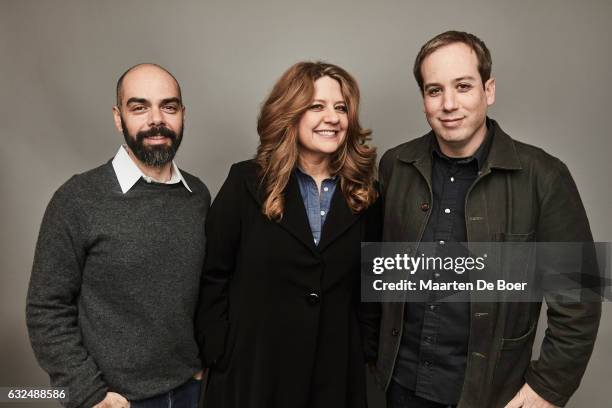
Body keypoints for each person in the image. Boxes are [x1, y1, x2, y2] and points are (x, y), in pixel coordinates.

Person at [375, 31, 601, 408]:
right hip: (397, 388)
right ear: (424, 100)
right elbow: (378, 274)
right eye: (435, 90)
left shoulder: (544, 176)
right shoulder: (395, 165)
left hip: (490, 395)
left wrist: (547, 388)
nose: (449, 104)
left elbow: (582, 295)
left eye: (463, 86)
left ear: (488, 90)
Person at [195, 61, 381, 408]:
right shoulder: (245, 182)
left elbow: (370, 284)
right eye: (316, 106)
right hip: (254, 371)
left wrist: (364, 351)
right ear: (289, 112)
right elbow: (213, 274)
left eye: (341, 107)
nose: (333, 117)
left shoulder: (365, 193)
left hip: (335, 375)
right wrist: (219, 350)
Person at [26, 63, 210, 408]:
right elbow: (45, 308)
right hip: (115, 400)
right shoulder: (77, 199)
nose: (156, 119)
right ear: (117, 117)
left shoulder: (197, 195)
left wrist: (202, 362)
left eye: (168, 107)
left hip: (191, 392)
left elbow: (202, 291)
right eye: (139, 107)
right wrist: (85, 393)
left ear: (183, 115)